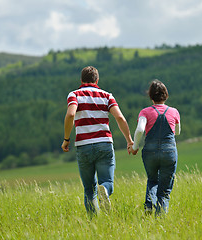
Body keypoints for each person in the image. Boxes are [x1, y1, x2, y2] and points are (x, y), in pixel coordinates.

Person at [61, 66, 134, 215]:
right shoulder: (107, 96)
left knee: (89, 189)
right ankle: (105, 191)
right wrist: (129, 140)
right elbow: (120, 117)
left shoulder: (74, 95)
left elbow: (70, 115)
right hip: (104, 144)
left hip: (83, 146)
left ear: (81, 80)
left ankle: (94, 222)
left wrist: (66, 139)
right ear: (97, 80)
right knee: (107, 182)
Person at [129, 80, 180, 215]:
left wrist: (134, 147)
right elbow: (178, 132)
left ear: (151, 96)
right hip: (169, 151)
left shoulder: (145, 112)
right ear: (166, 95)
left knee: (152, 180)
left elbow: (140, 130)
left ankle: (149, 205)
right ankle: (160, 218)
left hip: (150, 152)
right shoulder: (174, 111)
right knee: (164, 190)